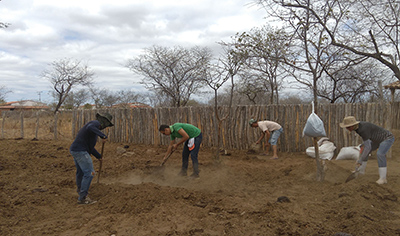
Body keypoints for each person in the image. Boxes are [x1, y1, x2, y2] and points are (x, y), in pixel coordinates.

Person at [70, 112, 114, 204]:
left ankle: (80, 191)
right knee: (89, 173)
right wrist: (102, 135)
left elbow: (90, 147)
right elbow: (90, 127)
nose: (105, 127)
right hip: (80, 151)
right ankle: (83, 198)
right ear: (104, 122)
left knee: (81, 172)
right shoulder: (94, 124)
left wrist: (99, 156)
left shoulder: (93, 129)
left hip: (76, 150)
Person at [339, 116, 395, 184]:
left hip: (387, 138)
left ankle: (383, 178)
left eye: (348, 127)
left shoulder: (363, 129)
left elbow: (368, 147)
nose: (347, 129)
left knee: (380, 154)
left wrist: (360, 160)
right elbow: (366, 145)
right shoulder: (357, 128)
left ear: (352, 125)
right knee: (363, 149)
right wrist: (361, 158)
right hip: (376, 139)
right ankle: (360, 172)